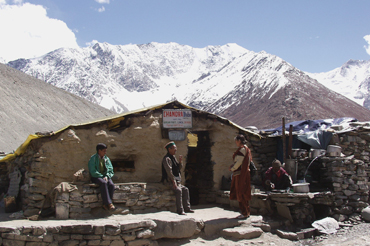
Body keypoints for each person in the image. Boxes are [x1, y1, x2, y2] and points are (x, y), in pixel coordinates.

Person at [161, 141, 194, 215]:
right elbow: (169, 172)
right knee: (178, 191)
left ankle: (187, 208)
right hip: (169, 181)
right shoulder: (166, 159)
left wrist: (180, 162)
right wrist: (173, 182)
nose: (176, 150)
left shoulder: (173, 158)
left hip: (176, 181)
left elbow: (178, 169)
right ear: (169, 149)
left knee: (185, 189)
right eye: (174, 148)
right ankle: (180, 210)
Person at [229, 134, 252, 219]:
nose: (235, 142)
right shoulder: (246, 149)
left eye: (236, 141)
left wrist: (232, 168)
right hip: (244, 173)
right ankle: (247, 211)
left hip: (240, 174)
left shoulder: (242, 150)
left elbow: (238, 162)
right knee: (244, 192)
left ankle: (244, 212)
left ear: (239, 141)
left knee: (241, 192)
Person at [88, 143, 116, 211]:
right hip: (96, 177)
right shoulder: (93, 159)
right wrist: (101, 176)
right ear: (99, 151)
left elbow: (110, 169)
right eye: (104, 151)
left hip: (105, 176)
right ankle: (109, 203)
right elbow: (93, 171)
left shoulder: (106, 159)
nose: (105, 152)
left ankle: (105, 203)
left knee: (111, 185)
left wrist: (107, 176)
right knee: (103, 183)